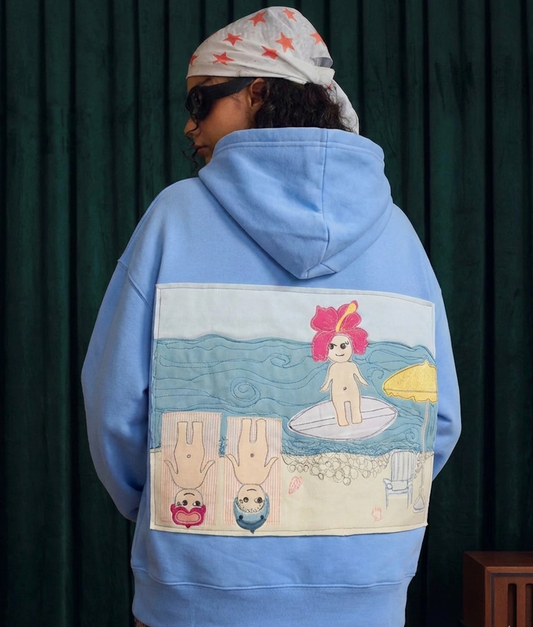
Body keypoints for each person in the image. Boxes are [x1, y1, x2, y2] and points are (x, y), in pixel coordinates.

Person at [82, 7, 461, 627]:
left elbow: (115, 406)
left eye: (202, 100)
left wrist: (167, 506)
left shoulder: (174, 220)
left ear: (257, 91)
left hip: (195, 591)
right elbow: (436, 421)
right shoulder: (399, 235)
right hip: (365, 596)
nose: (189, 124)